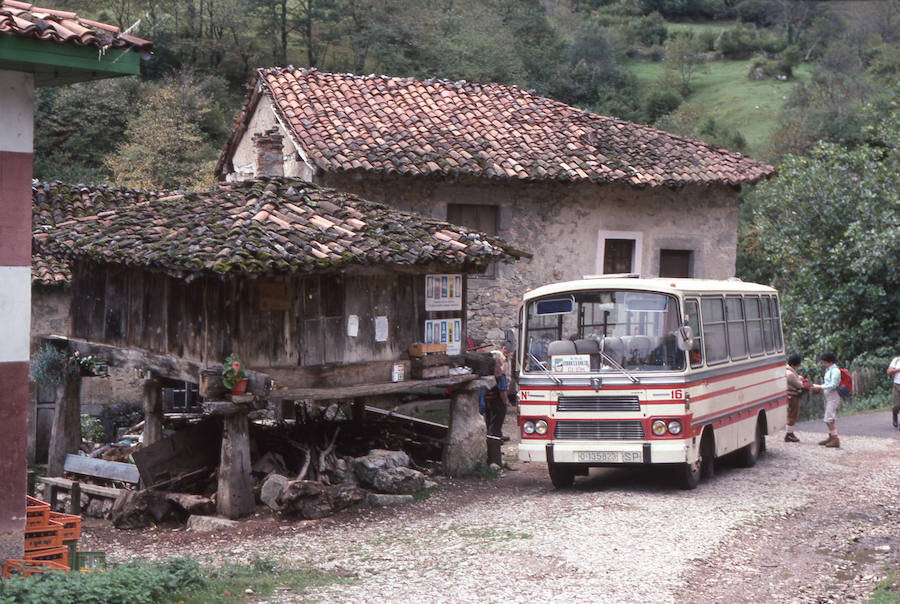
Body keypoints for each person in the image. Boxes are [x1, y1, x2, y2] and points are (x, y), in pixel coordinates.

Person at [811, 352, 841, 448]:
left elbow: (833, 385)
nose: (824, 364)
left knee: (828, 418)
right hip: (828, 396)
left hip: (833, 396)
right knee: (829, 417)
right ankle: (831, 436)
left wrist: (820, 386)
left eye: (825, 362)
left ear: (830, 362)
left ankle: (835, 439)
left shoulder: (835, 371)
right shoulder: (829, 370)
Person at [784, 354, 807, 442]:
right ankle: (789, 434)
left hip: (790, 395)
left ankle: (790, 433)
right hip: (793, 396)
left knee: (791, 415)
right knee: (792, 415)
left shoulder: (788, 371)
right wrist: (804, 383)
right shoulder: (790, 374)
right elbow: (800, 385)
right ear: (796, 364)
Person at [888, 352, 900, 429]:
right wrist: (898, 370)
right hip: (897, 385)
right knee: (896, 406)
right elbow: (889, 371)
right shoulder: (896, 360)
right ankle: (894, 415)